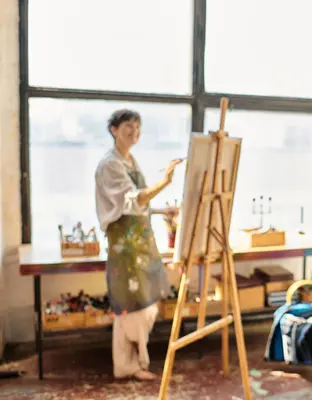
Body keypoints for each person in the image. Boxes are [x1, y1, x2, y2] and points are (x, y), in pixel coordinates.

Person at [95, 109, 183, 381]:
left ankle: (132, 363)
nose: (134, 132)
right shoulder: (110, 164)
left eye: (137, 127)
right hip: (125, 246)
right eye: (127, 127)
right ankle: (128, 365)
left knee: (143, 303)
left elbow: (135, 206)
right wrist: (164, 182)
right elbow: (133, 200)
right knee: (130, 305)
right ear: (113, 130)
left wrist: (160, 212)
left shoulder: (129, 160)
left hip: (139, 243)